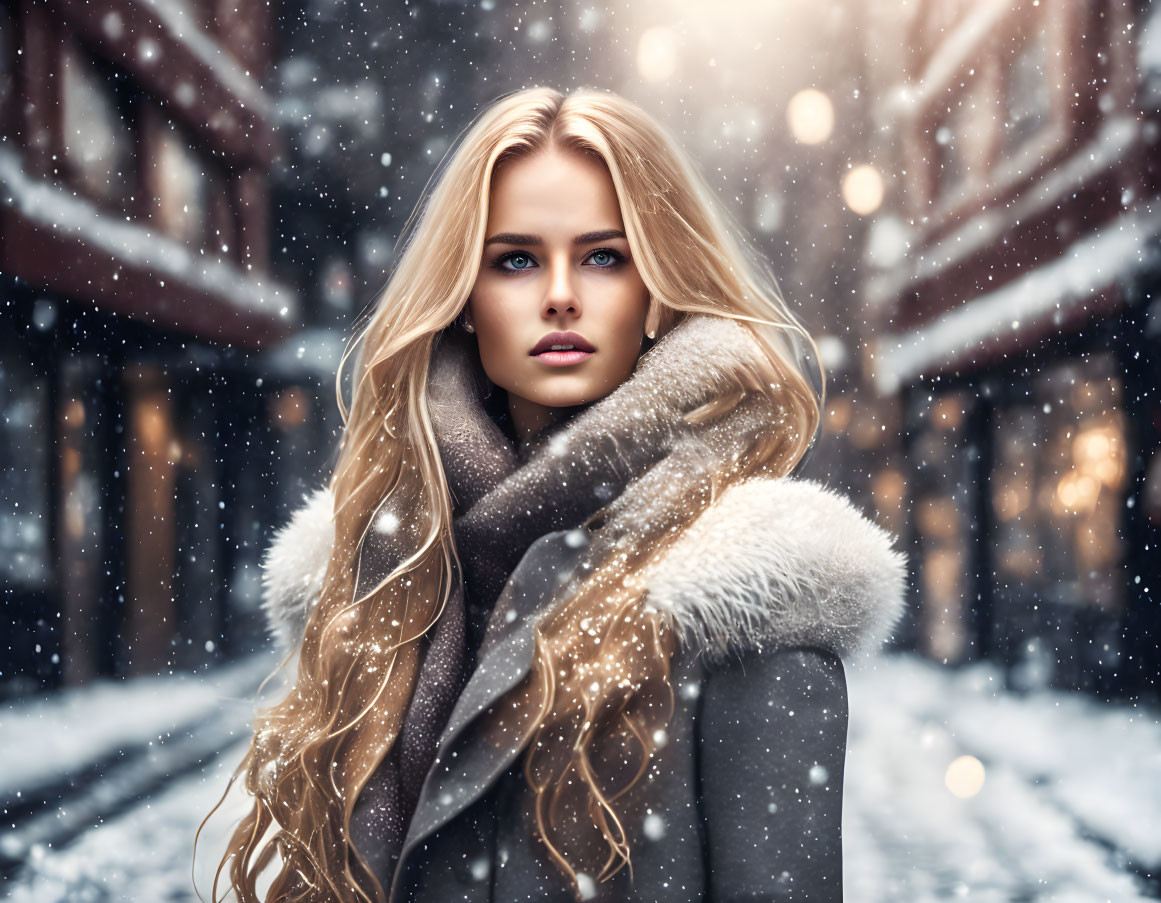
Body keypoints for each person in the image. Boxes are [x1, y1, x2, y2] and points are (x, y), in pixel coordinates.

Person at [203, 86, 908, 903]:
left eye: (604, 256)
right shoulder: (380, 570)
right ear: (465, 297)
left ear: (656, 293)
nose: (561, 293)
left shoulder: (747, 596)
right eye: (516, 259)